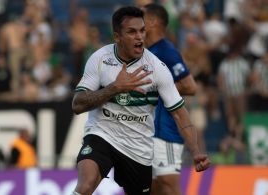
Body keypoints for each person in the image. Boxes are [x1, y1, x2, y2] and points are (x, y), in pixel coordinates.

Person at [71, 6, 210, 195]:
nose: (140, 37)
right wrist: (115, 88)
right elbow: (77, 104)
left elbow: (179, 113)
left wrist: (195, 151)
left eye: (142, 30)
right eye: (132, 32)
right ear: (117, 37)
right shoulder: (100, 59)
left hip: (138, 147)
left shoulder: (157, 68)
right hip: (102, 134)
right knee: (85, 186)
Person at [142, 3, 200, 195]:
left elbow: (190, 86)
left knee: (168, 186)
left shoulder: (166, 50)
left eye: (141, 16)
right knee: (148, 187)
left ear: (153, 22)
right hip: (145, 131)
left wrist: (159, 89)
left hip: (165, 130)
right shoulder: (143, 52)